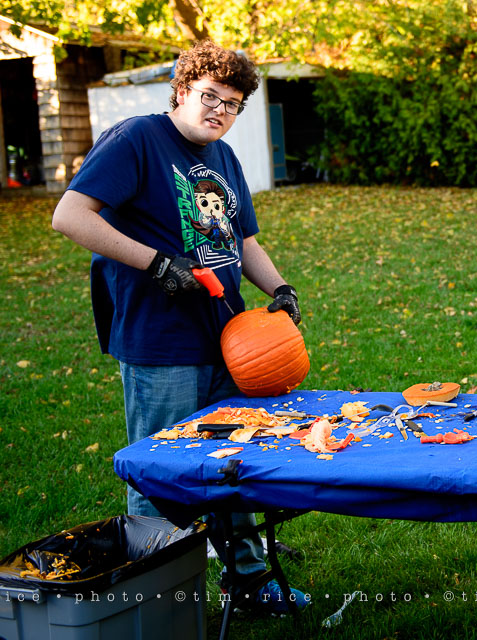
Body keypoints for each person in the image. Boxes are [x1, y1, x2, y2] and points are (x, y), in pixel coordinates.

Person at [52, 40, 308, 615]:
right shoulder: (136, 140)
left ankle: (247, 585)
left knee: (237, 459)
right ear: (182, 89)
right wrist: (156, 262)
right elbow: (68, 215)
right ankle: (155, 605)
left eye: (232, 103)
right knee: (159, 473)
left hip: (229, 338)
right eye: (209, 96)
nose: (219, 110)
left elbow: (240, 241)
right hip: (160, 342)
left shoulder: (223, 158)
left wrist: (280, 289)